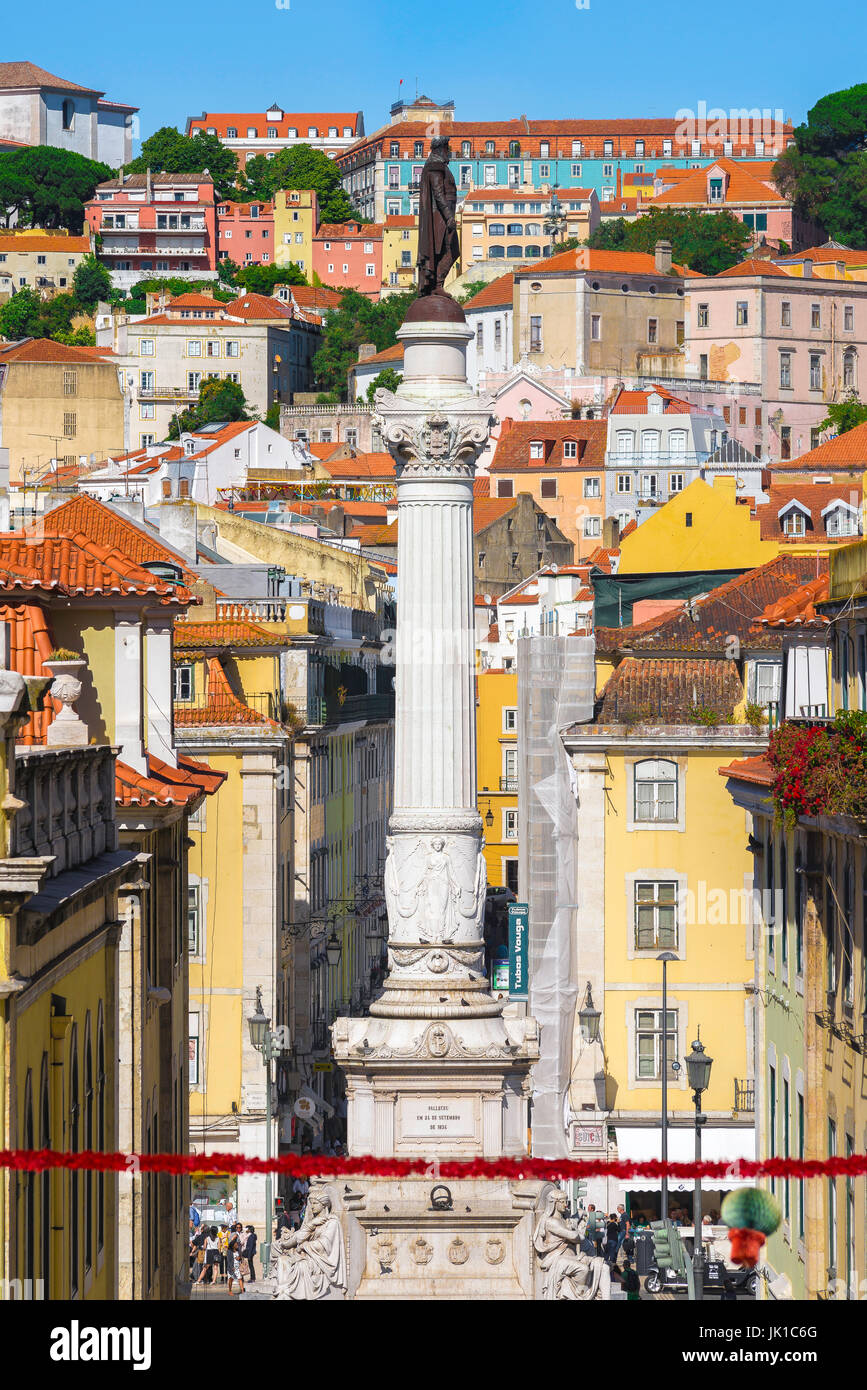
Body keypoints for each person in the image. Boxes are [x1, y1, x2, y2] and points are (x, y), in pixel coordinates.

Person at [226, 1222, 245, 1297]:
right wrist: (231, 1267)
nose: (238, 1229)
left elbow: (240, 1256)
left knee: (240, 1278)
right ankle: (230, 1290)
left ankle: (242, 1290)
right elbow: (229, 1260)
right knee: (231, 1279)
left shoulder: (237, 1251)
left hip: (237, 1267)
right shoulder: (234, 1235)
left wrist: (240, 1258)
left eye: (239, 1227)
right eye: (237, 1227)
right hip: (232, 1268)